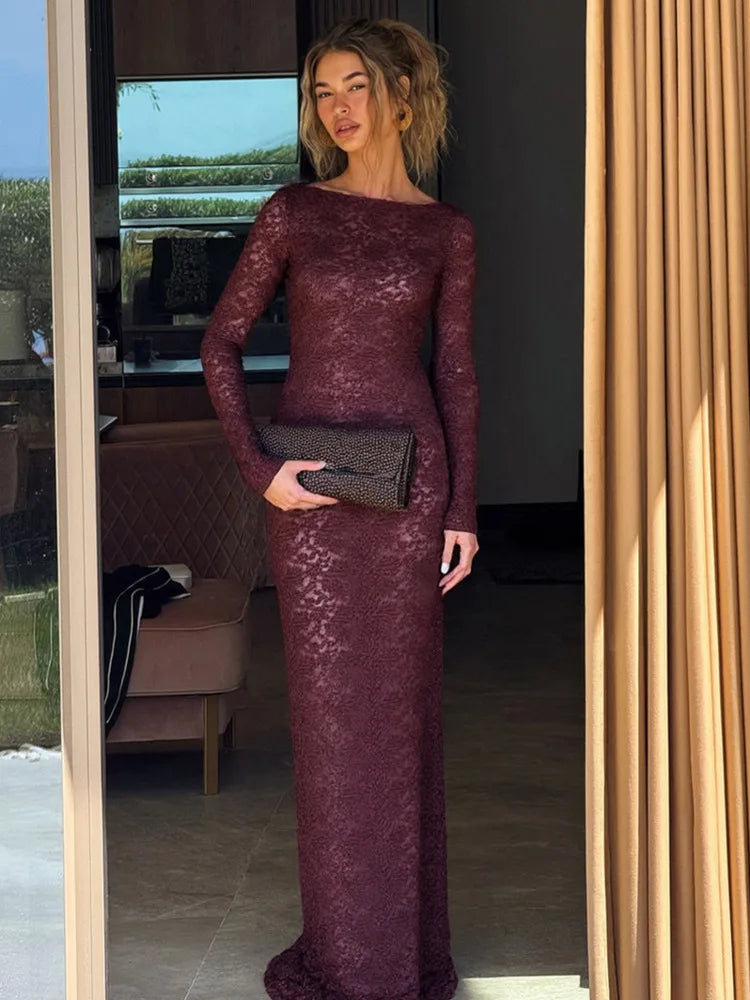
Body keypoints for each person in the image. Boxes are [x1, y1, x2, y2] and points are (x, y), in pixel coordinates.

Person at [200, 15, 479, 1000]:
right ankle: (347, 962)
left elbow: (455, 371)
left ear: (403, 95)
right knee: (331, 731)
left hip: (412, 499)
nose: (338, 108)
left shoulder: (445, 232)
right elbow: (220, 345)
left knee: (399, 724)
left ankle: (399, 956)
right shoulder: (292, 214)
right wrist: (258, 469)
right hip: (312, 500)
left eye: (355, 85)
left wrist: (466, 511)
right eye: (322, 92)